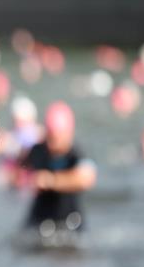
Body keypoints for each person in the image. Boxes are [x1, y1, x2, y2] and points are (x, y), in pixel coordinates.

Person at [14, 101, 96, 247]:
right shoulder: (38, 151)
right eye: (50, 137)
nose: (53, 143)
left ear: (69, 133)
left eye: (57, 137)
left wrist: (51, 181)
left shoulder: (76, 154)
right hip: (39, 222)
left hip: (70, 224)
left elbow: (87, 178)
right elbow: (18, 170)